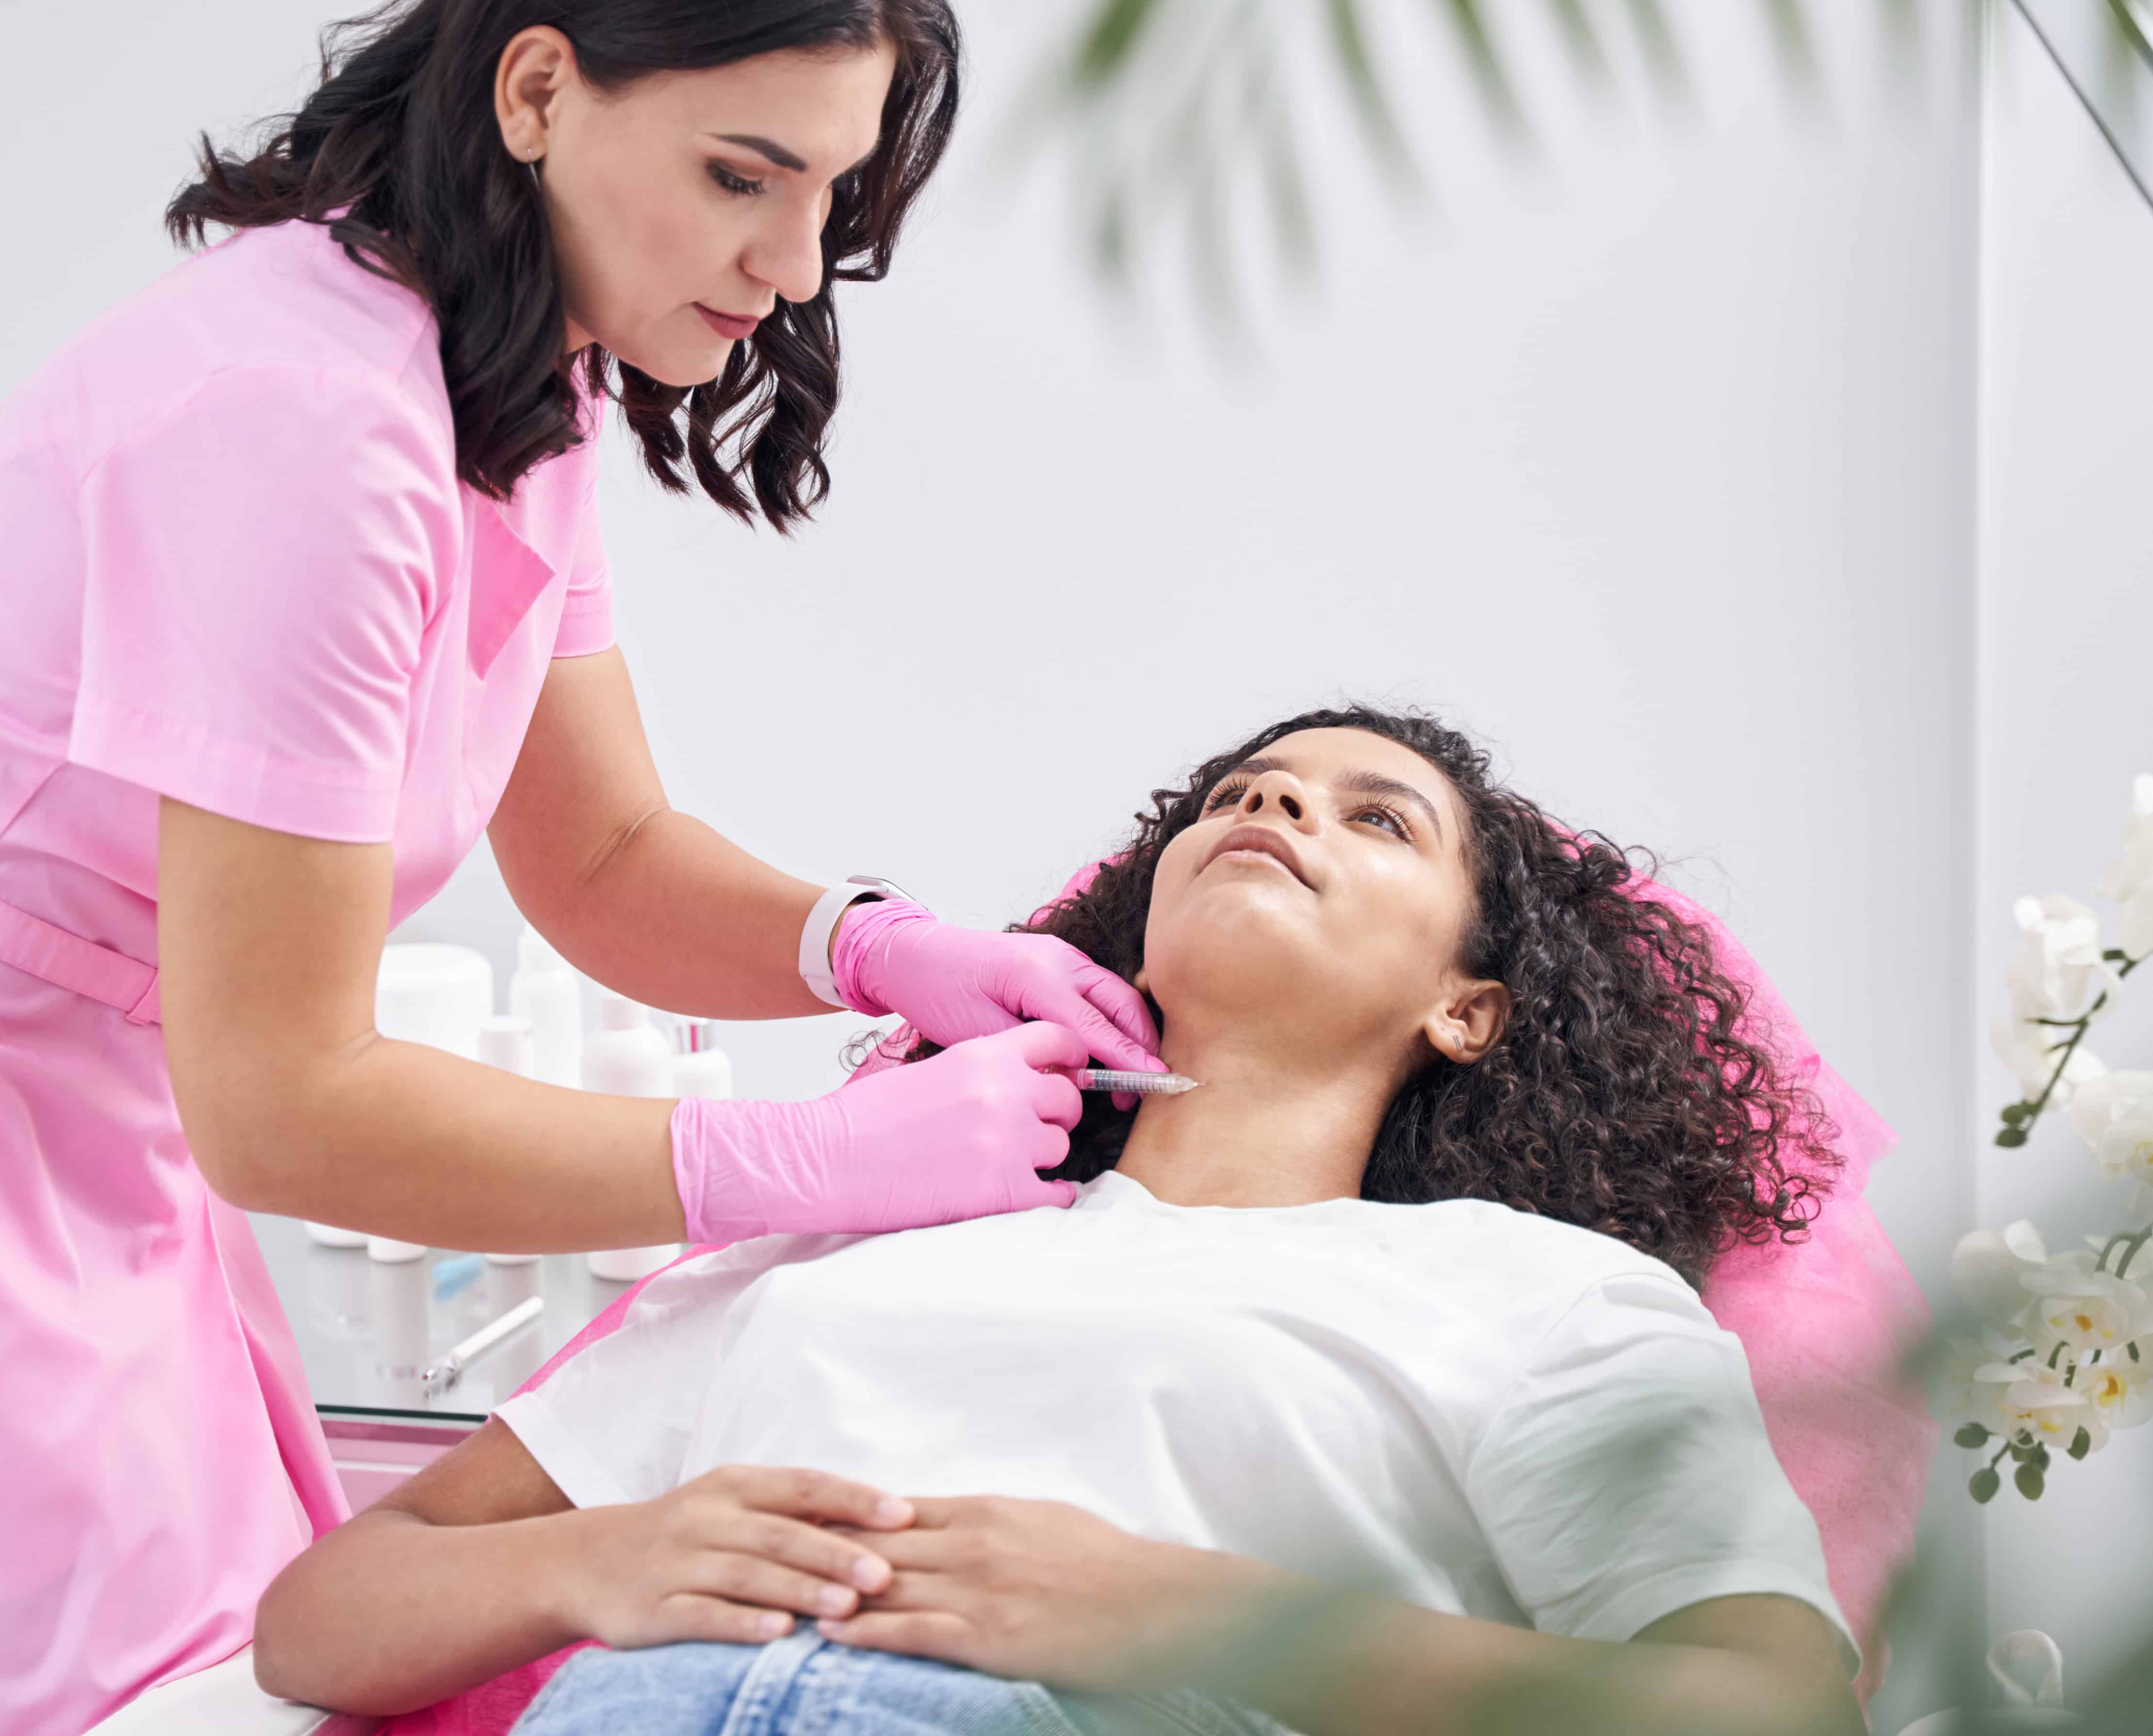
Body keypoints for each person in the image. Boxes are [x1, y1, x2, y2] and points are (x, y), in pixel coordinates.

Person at [0, 0, 1162, 1732]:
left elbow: (600, 856)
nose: (786, 267)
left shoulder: (514, 375)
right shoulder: (307, 432)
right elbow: (284, 1101)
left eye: (829, 193)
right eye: (739, 174)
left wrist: (872, 951)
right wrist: (798, 1168)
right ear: (537, 94)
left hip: (93, 1158)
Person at [249, 704, 1867, 1736]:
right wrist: (614, 1558)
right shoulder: (852, 1238)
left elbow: (1771, 1709)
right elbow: (319, 1620)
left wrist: (1190, 1617)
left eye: (1375, 817)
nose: (1279, 811)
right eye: (1245, 791)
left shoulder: (1544, 1299)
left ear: (1469, 1009)